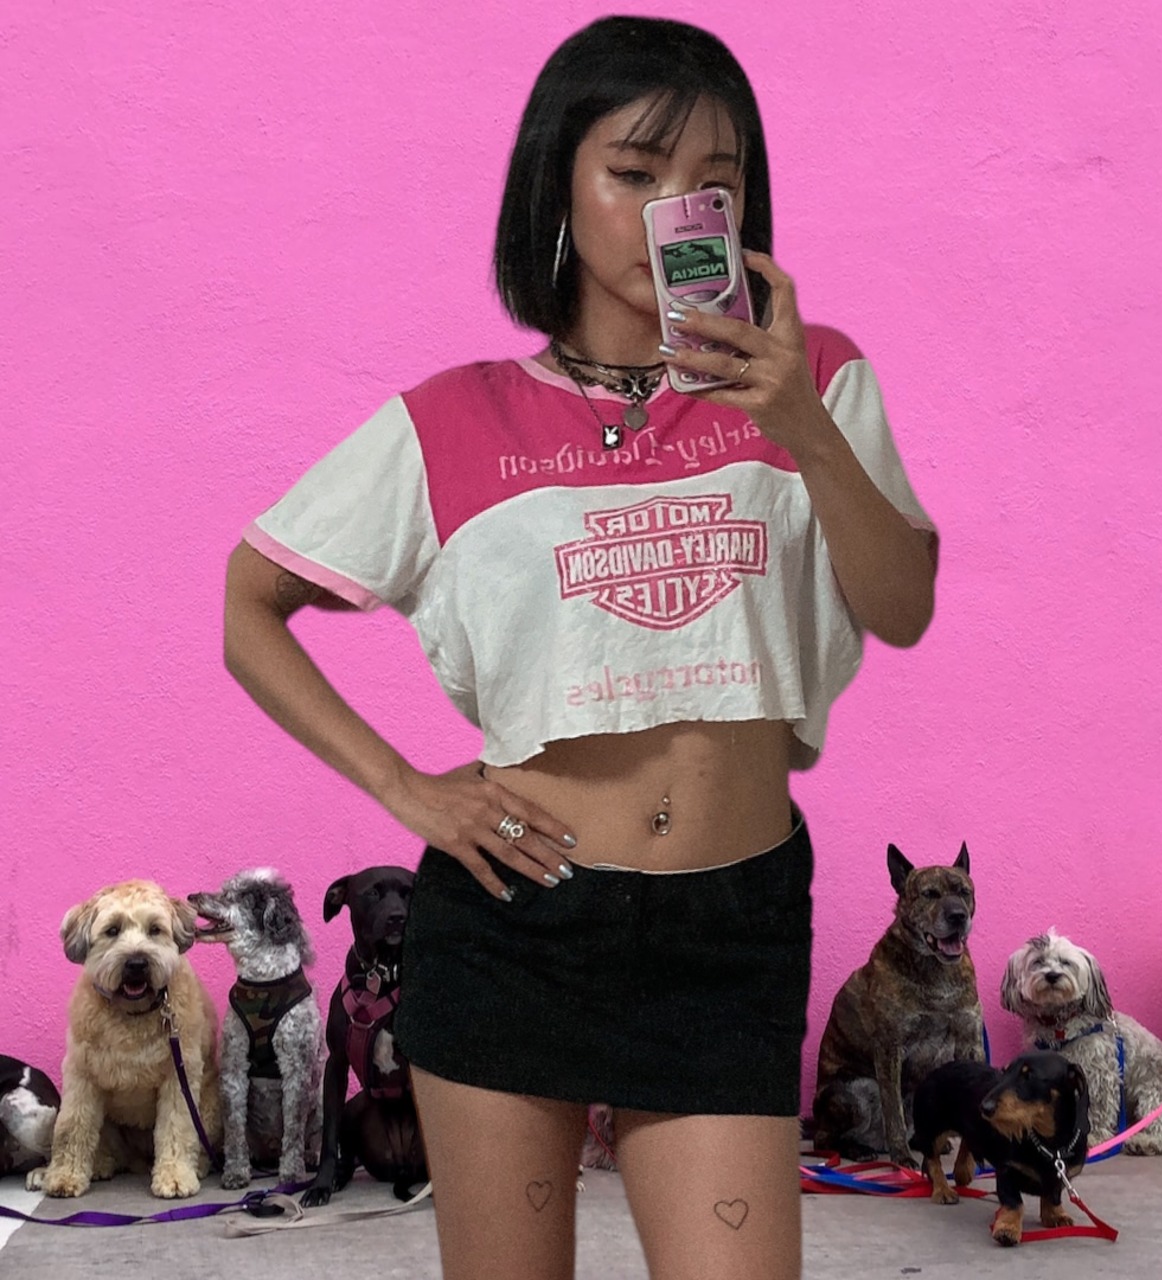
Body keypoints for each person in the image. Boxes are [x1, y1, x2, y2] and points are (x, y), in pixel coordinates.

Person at [223, 15, 936, 1280]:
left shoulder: (816, 380)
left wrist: (799, 425)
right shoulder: (455, 418)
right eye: (634, 173)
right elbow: (249, 604)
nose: (676, 211)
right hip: (515, 925)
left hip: (727, 929)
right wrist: (408, 791)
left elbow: (902, 604)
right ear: (556, 183)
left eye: (712, 180)